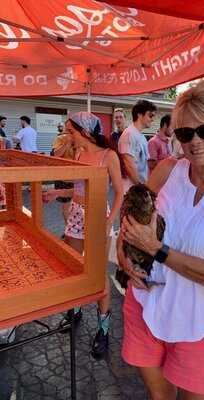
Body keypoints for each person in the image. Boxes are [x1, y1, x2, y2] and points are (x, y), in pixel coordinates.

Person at [118, 80, 204, 400]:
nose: (195, 141)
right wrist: (125, 260)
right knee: (160, 397)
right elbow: (131, 218)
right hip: (146, 307)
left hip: (198, 323)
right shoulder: (167, 170)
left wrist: (157, 250)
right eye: (185, 133)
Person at [43, 112, 123, 359]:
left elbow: (119, 193)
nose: (68, 135)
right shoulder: (77, 153)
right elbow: (77, 188)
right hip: (77, 213)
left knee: (98, 274)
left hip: (99, 215)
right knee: (74, 267)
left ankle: (103, 329)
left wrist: (107, 223)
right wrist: (56, 194)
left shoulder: (109, 156)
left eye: (71, 131)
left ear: (85, 132)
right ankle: (75, 311)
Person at [118, 100, 157, 192]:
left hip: (138, 188)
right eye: (150, 115)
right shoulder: (129, 134)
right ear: (139, 114)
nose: (152, 119)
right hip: (130, 190)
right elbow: (128, 164)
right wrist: (140, 187)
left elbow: (143, 163)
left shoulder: (141, 136)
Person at [51, 122, 75, 227]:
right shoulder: (60, 138)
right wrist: (67, 143)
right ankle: (68, 228)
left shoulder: (79, 139)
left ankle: (76, 228)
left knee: (78, 204)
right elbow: (56, 155)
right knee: (66, 206)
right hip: (63, 177)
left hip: (77, 177)